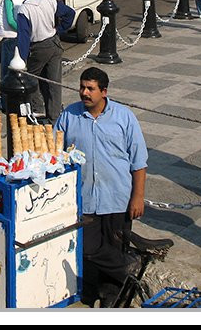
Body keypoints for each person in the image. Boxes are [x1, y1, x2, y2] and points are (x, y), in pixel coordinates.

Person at [54, 67, 147, 308]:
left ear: (104, 92)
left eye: (90, 89)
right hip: (84, 200)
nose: (84, 93)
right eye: (82, 87)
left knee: (114, 244)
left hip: (117, 198)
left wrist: (138, 197)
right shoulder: (69, 115)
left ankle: (111, 297)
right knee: (87, 249)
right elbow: (54, 152)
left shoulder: (124, 117)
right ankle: (126, 267)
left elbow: (139, 162)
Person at [15, 0, 75, 124]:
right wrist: (59, 29)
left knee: (31, 77)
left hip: (39, 46)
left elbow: (24, 37)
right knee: (53, 82)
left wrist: (21, 60)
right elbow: (70, 13)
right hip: (54, 43)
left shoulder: (24, 9)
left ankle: (38, 109)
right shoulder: (49, 1)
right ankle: (54, 117)